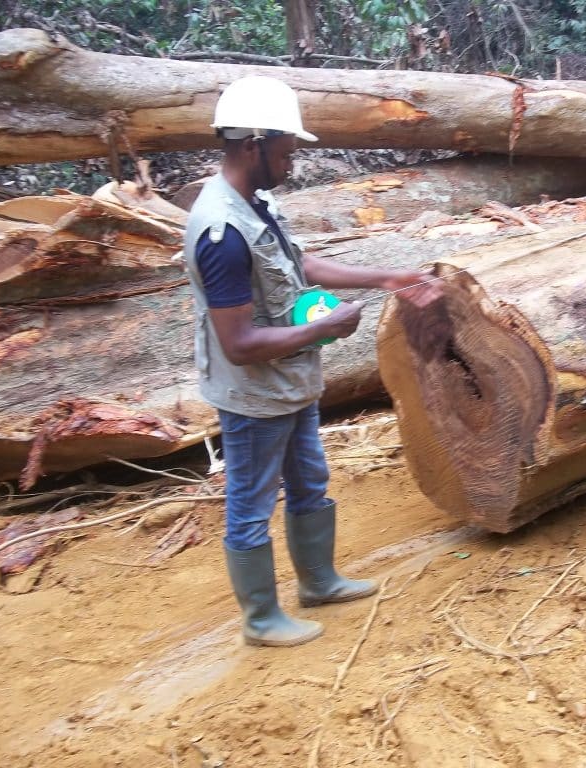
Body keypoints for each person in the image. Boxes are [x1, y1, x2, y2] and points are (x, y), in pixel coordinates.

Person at [183, 76, 436, 647]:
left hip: (291, 381)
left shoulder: (256, 203)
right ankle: (261, 618)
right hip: (253, 395)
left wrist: (387, 276)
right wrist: (326, 327)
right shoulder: (220, 232)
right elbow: (239, 344)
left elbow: (301, 264)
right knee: (250, 505)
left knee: (310, 482)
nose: (292, 162)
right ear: (254, 145)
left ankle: (318, 581)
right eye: (286, 151)